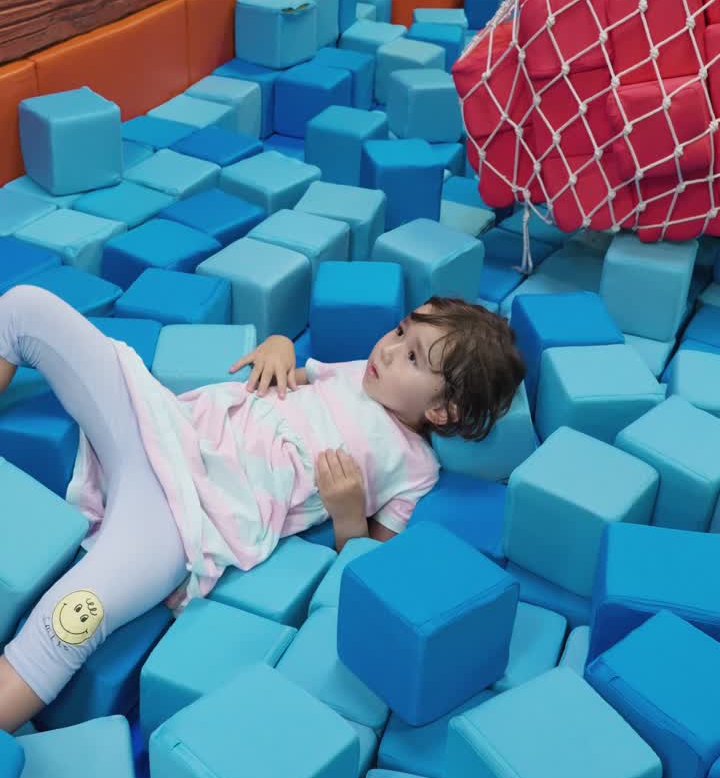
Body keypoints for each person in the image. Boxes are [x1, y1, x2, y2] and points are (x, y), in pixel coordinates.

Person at [0, 284, 525, 732]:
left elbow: (367, 561)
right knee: (26, 307)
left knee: (67, 626)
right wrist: (279, 348)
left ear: (441, 409)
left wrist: (347, 513)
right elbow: (293, 379)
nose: (388, 350)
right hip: (160, 430)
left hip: (182, 522)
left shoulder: (414, 469)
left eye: (412, 357)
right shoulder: (354, 372)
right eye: (399, 332)